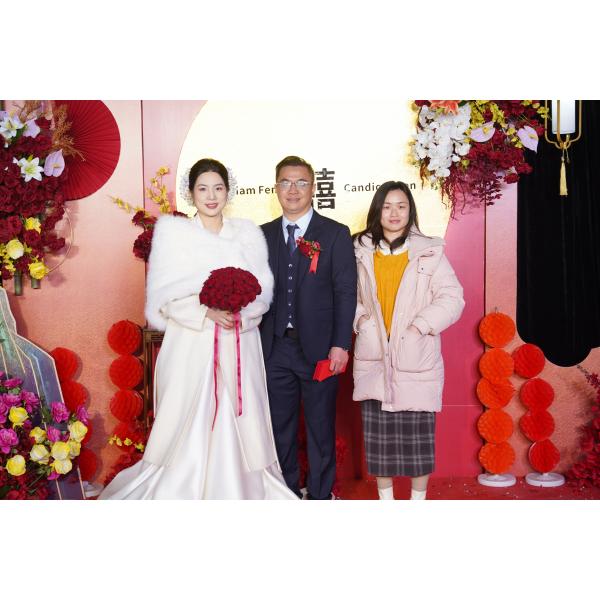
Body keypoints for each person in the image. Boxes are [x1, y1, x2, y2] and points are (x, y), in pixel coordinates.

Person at [100, 158, 298, 500]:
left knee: (241, 415)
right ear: (190, 193)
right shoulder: (175, 235)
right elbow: (164, 297)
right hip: (191, 343)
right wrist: (205, 312)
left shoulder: (247, 234)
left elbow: (264, 291)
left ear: (228, 192)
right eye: (203, 189)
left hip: (238, 339)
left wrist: (241, 313)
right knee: (188, 412)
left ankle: (242, 487)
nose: (211, 196)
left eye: (218, 188)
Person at [352, 181, 464, 500]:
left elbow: (452, 297)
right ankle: (386, 503)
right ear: (377, 211)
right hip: (374, 356)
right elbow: (346, 296)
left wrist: (420, 326)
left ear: (410, 210)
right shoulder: (359, 251)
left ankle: (417, 503)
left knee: (419, 444)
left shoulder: (429, 252)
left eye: (401, 206)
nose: (394, 213)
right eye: (387, 206)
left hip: (415, 356)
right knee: (379, 444)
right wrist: (361, 321)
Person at [260, 156, 357, 499]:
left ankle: (319, 496)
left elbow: (345, 291)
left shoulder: (334, 233)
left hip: (320, 350)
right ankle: (286, 493)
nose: (293, 190)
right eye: (286, 182)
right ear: (276, 188)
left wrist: (341, 344)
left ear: (313, 188)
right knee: (279, 429)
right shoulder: (262, 235)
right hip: (274, 348)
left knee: (320, 429)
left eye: (301, 182)